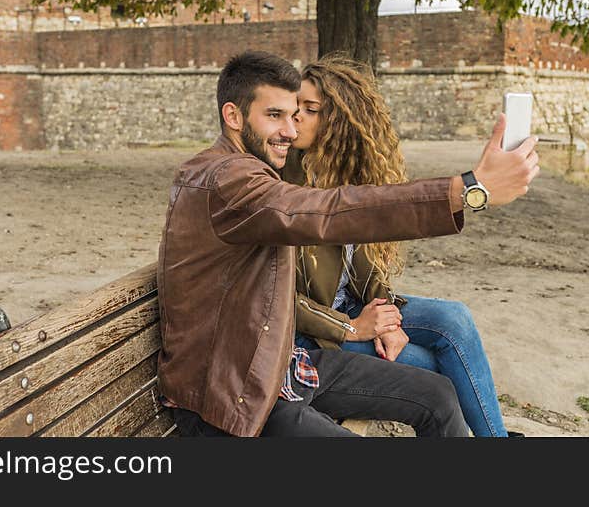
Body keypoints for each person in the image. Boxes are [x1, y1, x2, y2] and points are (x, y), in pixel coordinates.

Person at [157, 50, 539, 437]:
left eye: (295, 116)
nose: (290, 130)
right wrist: (467, 190)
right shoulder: (227, 180)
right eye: (275, 116)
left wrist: (384, 313)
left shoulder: (254, 172)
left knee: (438, 394)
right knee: (426, 370)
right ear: (234, 116)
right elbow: (327, 213)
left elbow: (345, 233)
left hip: (283, 363)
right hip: (240, 393)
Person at [284, 55, 528, 437]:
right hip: (312, 334)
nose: (294, 116)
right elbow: (276, 297)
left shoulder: (340, 175)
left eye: (310, 109)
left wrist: (387, 318)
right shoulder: (283, 183)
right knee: (430, 364)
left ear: (339, 124)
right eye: (295, 105)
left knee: (456, 319)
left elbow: (362, 266)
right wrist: (352, 327)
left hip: (351, 309)